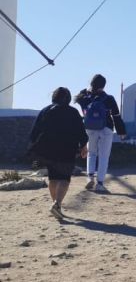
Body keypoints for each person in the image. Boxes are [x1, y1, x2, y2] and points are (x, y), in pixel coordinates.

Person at [28, 87, 88, 221]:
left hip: (48, 151)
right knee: (64, 179)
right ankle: (57, 204)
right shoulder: (73, 112)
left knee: (53, 178)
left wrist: (34, 149)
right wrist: (84, 146)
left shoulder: (45, 110)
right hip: (67, 149)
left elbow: (34, 132)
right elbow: (81, 132)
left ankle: (56, 205)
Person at [74, 74, 126, 194]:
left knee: (91, 153)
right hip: (106, 128)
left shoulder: (84, 97)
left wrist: (87, 90)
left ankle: (90, 177)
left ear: (91, 83)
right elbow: (116, 117)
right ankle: (100, 184)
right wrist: (121, 132)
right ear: (104, 85)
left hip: (89, 128)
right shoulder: (109, 98)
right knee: (104, 156)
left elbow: (76, 98)